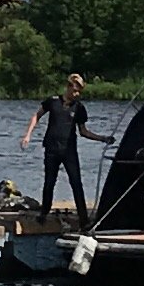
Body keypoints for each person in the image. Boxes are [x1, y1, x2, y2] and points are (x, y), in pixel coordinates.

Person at [20, 71, 105, 221]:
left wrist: (102, 138)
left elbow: (83, 131)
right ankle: (44, 213)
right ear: (68, 87)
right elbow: (37, 115)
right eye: (75, 90)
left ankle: (83, 218)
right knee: (49, 182)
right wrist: (28, 135)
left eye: (79, 91)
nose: (77, 94)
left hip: (69, 150)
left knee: (76, 182)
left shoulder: (79, 108)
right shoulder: (53, 101)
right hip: (52, 148)